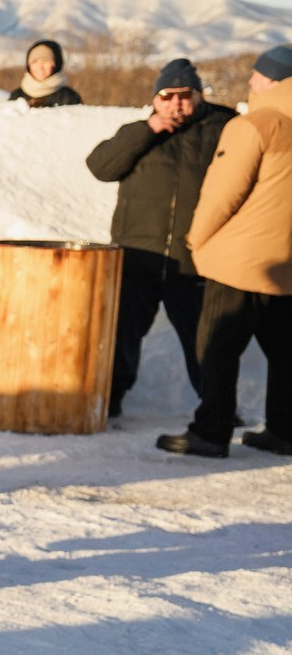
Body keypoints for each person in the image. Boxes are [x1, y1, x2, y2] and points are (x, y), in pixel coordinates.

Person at [86, 58, 237, 419]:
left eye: (185, 95)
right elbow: (100, 167)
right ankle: (112, 401)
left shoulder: (223, 129)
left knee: (203, 341)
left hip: (194, 260)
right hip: (140, 255)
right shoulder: (139, 133)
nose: (176, 104)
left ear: (199, 96)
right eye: (167, 96)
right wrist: (148, 130)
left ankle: (217, 411)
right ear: (155, 99)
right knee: (124, 335)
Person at [161, 47, 292, 458]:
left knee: (216, 346)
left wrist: (197, 239)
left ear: (273, 81)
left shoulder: (255, 125)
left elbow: (223, 192)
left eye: (257, 75)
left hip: (242, 259)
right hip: (287, 264)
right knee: (285, 351)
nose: (251, 81)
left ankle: (210, 432)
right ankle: (285, 430)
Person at [13, 39, 83, 108]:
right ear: (28, 65)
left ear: (55, 65)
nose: (40, 67)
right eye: (35, 62)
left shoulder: (69, 97)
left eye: (45, 61)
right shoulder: (16, 96)